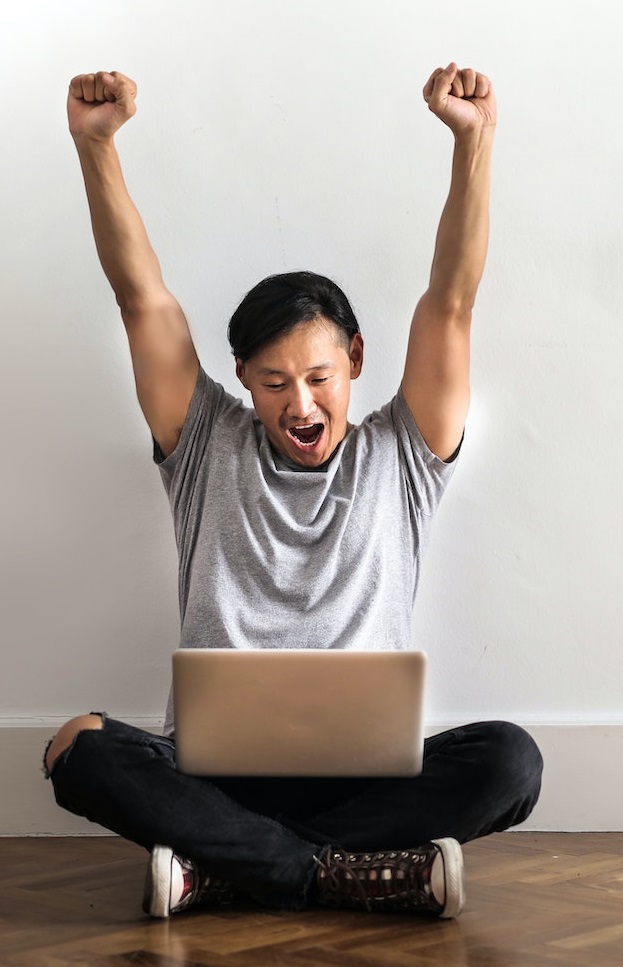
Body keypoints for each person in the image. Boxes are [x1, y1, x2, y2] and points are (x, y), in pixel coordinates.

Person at [45, 64, 542, 919]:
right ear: (240, 376)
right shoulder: (206, 443)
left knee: (510, 760)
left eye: (317, 375)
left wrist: (475, 141)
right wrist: (96, 147)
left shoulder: (402, 453)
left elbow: (452, 304)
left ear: (354, 358)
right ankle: (344, 873)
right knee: (76, 748)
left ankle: (227, 867)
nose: (299, 404)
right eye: (273, 382)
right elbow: (141, 300)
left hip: (362, 778)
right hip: (212, 773)